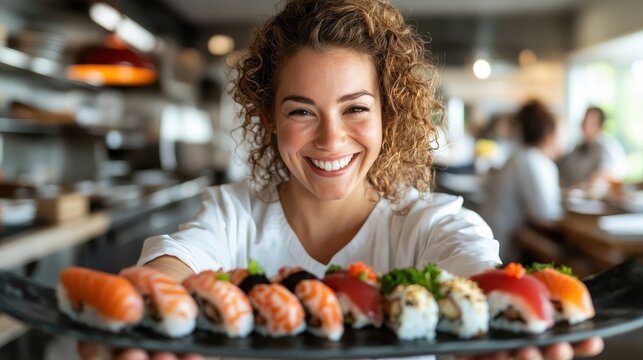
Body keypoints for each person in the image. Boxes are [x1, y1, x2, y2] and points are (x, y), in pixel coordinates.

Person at [79, 1, 603, 359]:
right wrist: (142, 309)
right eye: (302, 111)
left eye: (355, 108)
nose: (331, 140)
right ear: (270, 118)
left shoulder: (429, 224)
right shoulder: (232, 215)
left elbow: (476, 267)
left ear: (388, 115)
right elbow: (178, 260)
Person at [479, 100, 564, 262]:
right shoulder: (534, 161)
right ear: (549, 135)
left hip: (492, 243)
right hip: (504, 253)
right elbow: (545, 214)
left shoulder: (519, 157)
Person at [559, 106, 627, 189]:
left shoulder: (608, 148)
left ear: (600, 125)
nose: (584, 125)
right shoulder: (577, 148)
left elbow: (609, 175)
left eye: (589, 122)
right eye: (584, 121)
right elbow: (564, 172)